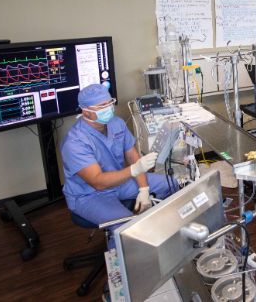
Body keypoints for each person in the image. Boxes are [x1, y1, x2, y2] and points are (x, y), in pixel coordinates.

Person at [61, 84, 175, 247]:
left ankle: (167, 236)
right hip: (89, 195)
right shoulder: (75, 142)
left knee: (171, 184)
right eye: (102, 106)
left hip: (120, 182)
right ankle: (121, 267)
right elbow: (98, 182)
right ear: (85, 111)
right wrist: (135, 170)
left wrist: (144, 189)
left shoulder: (117, 124)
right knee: (127, 230)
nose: (108, 108)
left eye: (109, 103)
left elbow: (133, 157)